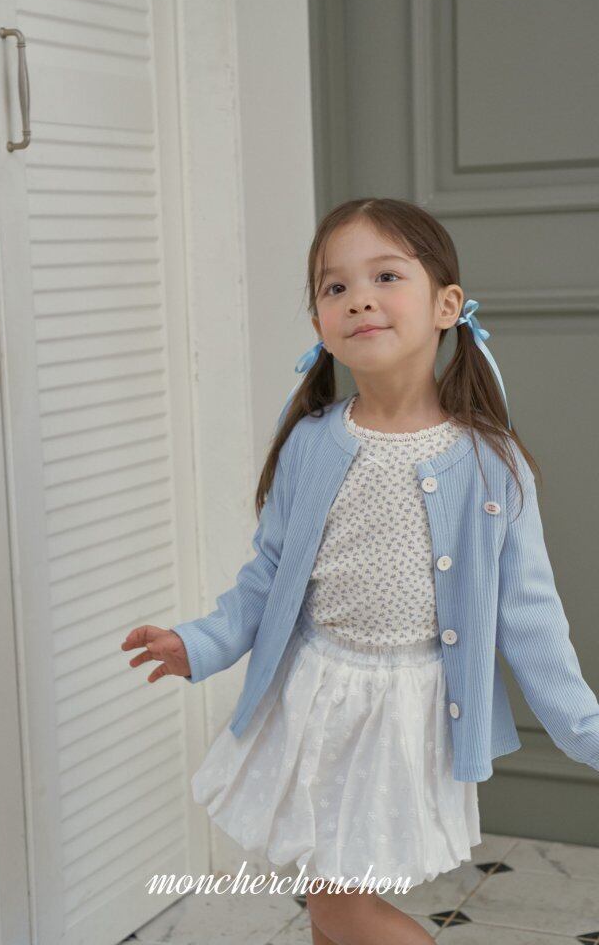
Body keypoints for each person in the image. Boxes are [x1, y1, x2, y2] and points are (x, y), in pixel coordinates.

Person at [121, 198, 599, 945]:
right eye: (335, 286)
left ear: (447, 306)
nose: (359, 299)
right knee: (330, 903)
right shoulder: (311, 443)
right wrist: (201, 642)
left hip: (403, 715)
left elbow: (530, 616)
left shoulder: (490, 464)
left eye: (386, 276)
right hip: (315, 699)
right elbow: (268, 574)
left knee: (338, 906)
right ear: (319, 323)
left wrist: (586, 730)